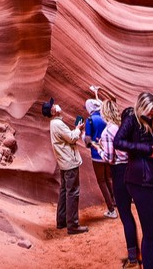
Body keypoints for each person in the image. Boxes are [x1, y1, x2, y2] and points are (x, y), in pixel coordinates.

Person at [114, 92, 153, 269]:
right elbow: (117, 142)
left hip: (148, 178)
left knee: (152, 234)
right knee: (151, 235)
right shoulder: (132, 119)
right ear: (143, 107)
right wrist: (147, 150)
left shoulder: (149, 122)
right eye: (151, 111)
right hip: (139, 179)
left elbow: (151, 144)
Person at [98, 99, 141, 267]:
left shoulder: (107, 131)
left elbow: (109, 158)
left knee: (126, 215)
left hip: (119, 172)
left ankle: (132, 259)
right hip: (132, 168)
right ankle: (139, 252)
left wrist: (98, 148)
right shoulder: (122, 127)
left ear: (104, 113)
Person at [43, 97, 89, 234]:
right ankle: (73, 225)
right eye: (53, 106)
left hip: (64, 163)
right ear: (53, 112)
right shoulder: (57, 124)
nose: (56, 105)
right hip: (69, 163)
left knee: (64, 192)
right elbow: (72, 138)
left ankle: (61, 221)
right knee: (72, 193)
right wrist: (78, 129)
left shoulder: (54, 124)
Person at [84, 89, 117, 218]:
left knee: (101, 181)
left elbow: (87, 141)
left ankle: (111, 209)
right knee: (109, 178)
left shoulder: (90, 120)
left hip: (97, 154)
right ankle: (116, 202)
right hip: (108, 151)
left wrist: (84, 136)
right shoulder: (105, 117)